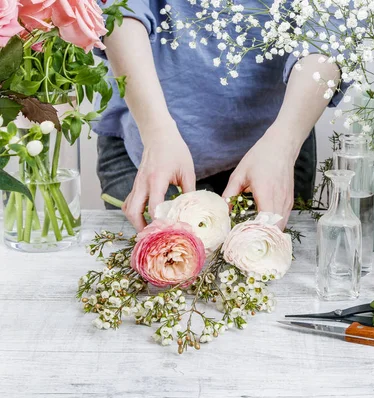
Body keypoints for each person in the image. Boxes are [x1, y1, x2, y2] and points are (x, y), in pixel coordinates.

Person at [95, 0, 342, 231]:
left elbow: (332, 28)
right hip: (147, 142)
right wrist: (157, 134)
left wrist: (283, 144)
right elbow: (120, 10)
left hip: (276, 144)